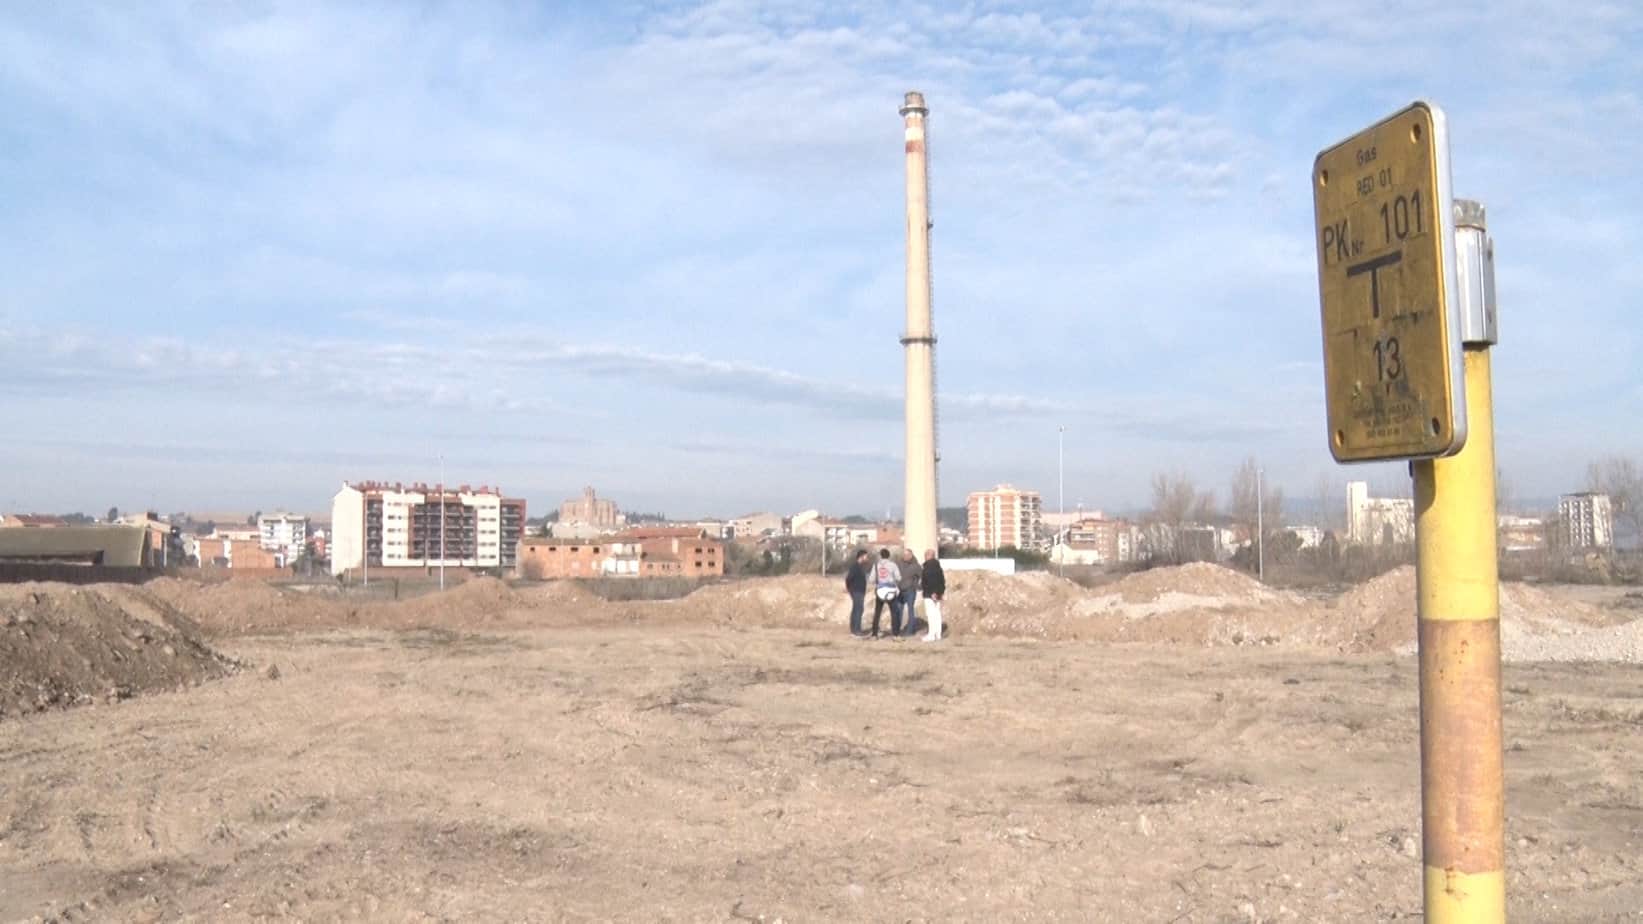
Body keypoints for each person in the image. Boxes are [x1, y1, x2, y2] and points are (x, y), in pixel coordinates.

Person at [869, 548, 902, 638]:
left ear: (880, 556)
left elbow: (871, 579)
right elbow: (899, 578)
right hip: (891, 591)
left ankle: (874, 634)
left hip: (880, 591)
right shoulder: (893, 565)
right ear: (889, 556)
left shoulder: (876, 565)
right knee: (894, 613)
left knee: (877, 613)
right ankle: (896, 634)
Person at [920, 549, 946, 642]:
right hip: (938, 594)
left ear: (928, 556)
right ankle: (937, 634)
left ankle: (931, 635)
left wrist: (932, 593)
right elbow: (942, 581)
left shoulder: (928, 567)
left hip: (930, 594)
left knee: (931, 615)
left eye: (925, 555)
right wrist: (941, 592)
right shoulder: (938, 567)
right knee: (937, 614)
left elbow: (930, 581)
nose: (924, 557)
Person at [844, 549, 869, 638]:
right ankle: (856, 630)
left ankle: (854, 629)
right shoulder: (855, 567)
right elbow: (848, 578)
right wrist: (849, 589)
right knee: (858, 610)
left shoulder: (860, 567)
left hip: (859, 591)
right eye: (866, 556)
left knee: (857, 609)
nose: (867, 558)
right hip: (856, 591)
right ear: (861, 557)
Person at [897, 547, 922, 637]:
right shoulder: (899, 564)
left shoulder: (916, 566)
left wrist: (918, 586)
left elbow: (922, 576)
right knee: (899, 610)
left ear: (911, 555)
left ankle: (910, 631)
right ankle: (897, 630)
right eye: (904, 554)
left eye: (907, 555)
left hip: (910, 591)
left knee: (910, 610)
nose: (905, 556)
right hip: (900, 591)